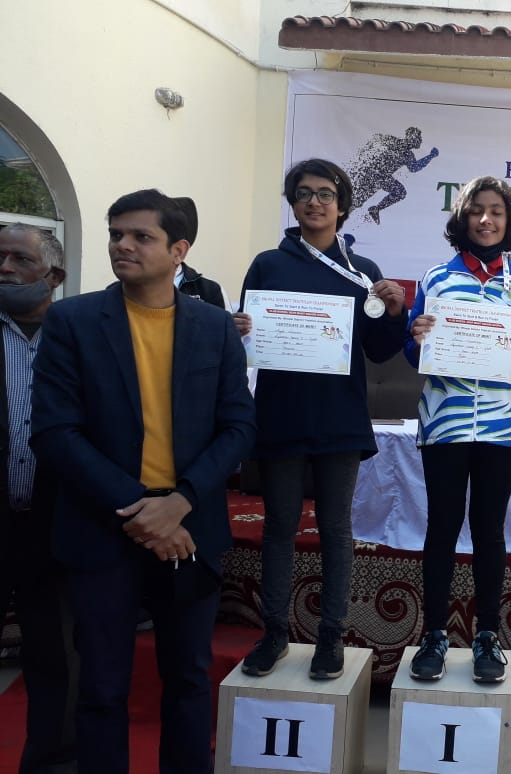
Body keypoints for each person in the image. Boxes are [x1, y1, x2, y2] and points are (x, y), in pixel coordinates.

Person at [30, 189, 256, 774]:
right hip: (101, 526)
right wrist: (142, 508)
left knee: (189, 680)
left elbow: (238, 426)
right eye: (116, 235)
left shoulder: (214, 327)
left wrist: (180, 502)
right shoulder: (73, 321)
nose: (122, 246)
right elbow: (54, 432)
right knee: (101, 686)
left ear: (179, 250)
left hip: (190, 527)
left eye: (140, 237)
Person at [239, 159, 408, 680]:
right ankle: (274, 634)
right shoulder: (267, 265)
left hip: (339, 417)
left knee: (336, 529)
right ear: (292, 204)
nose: (314, 202)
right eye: (304, 193)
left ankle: (330, 638)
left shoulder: (364, 271)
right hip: (281, 414)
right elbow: (251, 341)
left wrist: (395, 312)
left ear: (342, 205)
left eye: (325, 194)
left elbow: (380, 351)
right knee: (279, 528)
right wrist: (238, 329)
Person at [405, 175, 511, 683]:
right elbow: (413, 357)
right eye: (476, 211)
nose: (486, 219)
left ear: (509, 221)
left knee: (490, 531)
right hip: (445, 423)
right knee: (442, 528)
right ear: (463, 218)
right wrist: (416, 336)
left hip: (501, 427)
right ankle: (434, 634)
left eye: (496, 211)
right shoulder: (435, 279)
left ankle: (487, 634)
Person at [0, 224, 76, 772]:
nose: (5, 268)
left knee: (53, 656)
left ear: (54, 275)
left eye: (19, 259)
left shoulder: (80, 339)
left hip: (55, 524)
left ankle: (49, 759)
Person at [346, 127, 439, 225]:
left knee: (400, 192)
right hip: (372, 174)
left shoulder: (408, 154)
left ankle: (376, 209)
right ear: (413, 138)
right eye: (419, 138)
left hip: (381, 177)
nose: (421, 141)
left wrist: (430, 156)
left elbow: (414, 168)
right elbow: (376, 138)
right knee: (356, 200)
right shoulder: (395, 142)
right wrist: (363, 157)